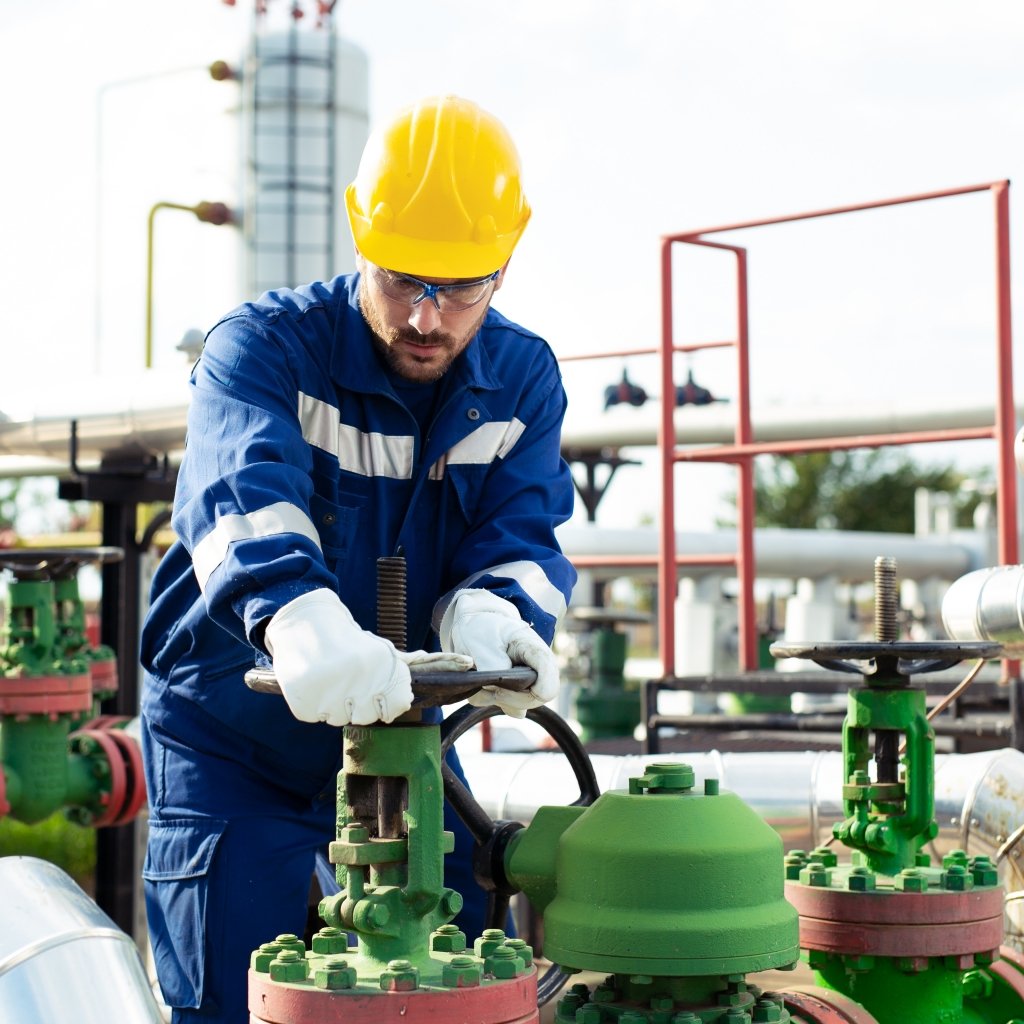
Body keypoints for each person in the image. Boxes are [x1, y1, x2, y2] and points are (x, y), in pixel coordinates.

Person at [138, 94, 577, 1024]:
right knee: (228, 993)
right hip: (233, 735)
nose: (426, 316)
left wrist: (495, 612)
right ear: (358, 234)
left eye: (461, 288)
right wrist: (297, 618)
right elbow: (241, 498)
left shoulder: (523, 380)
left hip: (406, 734)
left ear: (506, 262)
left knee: (456, 979)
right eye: (402, 279)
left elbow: (523, 531)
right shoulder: (261, 350)